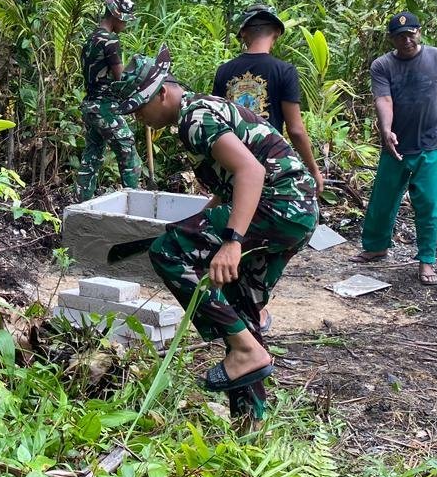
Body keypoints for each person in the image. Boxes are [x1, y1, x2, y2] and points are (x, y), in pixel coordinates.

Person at [114, 46, 318, 418]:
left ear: (163, 92)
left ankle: (246, 350)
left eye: (141, 107)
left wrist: (232, 242)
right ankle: (250, 424)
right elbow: (230, 188)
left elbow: (252, 174)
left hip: (278, 205)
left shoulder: (195, 118)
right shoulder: (202, 111)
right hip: (294, 213)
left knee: (168, 252)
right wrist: (196, 224)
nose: (140, 118)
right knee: (240, 309)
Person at [355, 11, 437, 285]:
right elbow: (384, 99)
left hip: (430, 145)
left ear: (419, 32)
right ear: (392, 39)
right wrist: (386, 130)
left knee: (427, 203)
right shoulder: (382, 65)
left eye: (411, 34)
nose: (407, 40)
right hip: (396, 146)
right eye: (400, 36)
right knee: (383, 198)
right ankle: (376, 246)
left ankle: (426, 261)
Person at [212, 4, 325, 198]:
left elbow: (216, 122)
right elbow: (296, 130)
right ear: (276, 33)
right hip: (268, 161)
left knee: (232, 212)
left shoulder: (224, 71)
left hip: (231, 160)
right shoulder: (284, 71)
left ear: (244, 34)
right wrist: (313, 169)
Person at [76, 0, 142, 201]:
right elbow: (120, 78)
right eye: (124, 19)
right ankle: (136, 202)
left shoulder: (90, 38)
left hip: (90, 106)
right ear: (115, 16)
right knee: (127, 149)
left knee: (92, 156)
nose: (125, 24)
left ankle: (81, 204)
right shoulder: (110, 41)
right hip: (104, 106)